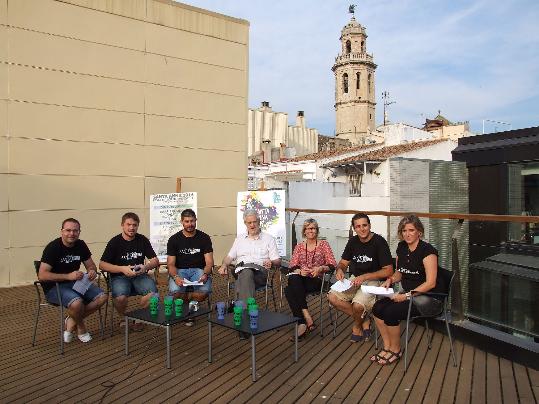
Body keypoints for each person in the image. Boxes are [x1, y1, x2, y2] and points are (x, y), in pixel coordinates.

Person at [371, 215, 441, 365]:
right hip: (408, 295)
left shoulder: (428, 252)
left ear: (419, 232)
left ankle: (396, 351)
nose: (407, 234)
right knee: (377, 307)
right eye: (404, 230)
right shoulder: (402, 247)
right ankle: (388, 346)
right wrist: (390, 280)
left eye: (411, 230)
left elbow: (430, 283)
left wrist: (407, 296)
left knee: (390, 312)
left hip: (429, 298)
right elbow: (400, 272)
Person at [38, 218, 108, 343]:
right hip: (54, 287)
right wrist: (68, 276)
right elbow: (42, 275)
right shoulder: (53, 247)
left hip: (76, 283)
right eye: (68, 230)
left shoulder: (81, 245)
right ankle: (81, 327)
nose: (72, 233)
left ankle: (71, 320)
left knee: (102, 297)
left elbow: (91, 265)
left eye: (75, 231)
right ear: (62, 232)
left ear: (79, 232)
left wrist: (91, 271)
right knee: (77, 304)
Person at [327, 213, 393, 342]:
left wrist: (365, 276)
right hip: (354, 279)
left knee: (358, 306)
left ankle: (357, 326)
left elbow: (388, 270)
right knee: (332, 297)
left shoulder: (379, 242)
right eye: (358, 226)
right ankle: (365, 319)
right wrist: (340, 270)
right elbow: (343, 263)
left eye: (364, 225)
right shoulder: (353, 241)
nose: (362, 229)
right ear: (354, 228)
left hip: (374, 280)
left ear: (369, 226)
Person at [99, 212, 159, 330]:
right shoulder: (115, 242)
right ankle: (123, 318)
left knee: (153, 294)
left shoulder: (142, 240)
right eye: (128, 224)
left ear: (138, 226)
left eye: (135, 225)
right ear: (122, 225)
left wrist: (145, 267)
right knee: (120, 297)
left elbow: (155, 260)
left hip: (139, 275)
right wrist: (122, 269)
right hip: (119, 277)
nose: (131, 227)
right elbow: (102, 264)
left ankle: (139, 318)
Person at [284, 218, 336, 339]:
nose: (310, 231)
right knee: (293, 280)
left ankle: (303, 320)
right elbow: (292, 265)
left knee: (289, 288)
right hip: (301, 279)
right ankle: (305, 319)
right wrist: (300, 271)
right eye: (307, 228)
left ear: (316, 230)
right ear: (304, 231)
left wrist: (320, 269)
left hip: (317, 280)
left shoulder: (324, 245)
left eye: (312, 228)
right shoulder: (299, 246)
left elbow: (332, 264)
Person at [218, 209, 281, 304]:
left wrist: (271, 262)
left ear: (259, 222)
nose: (252, 225)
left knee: (244, 276)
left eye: (254, 222)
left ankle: (237, 306)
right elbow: (229, 257)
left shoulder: (269, 239)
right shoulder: (239, 239)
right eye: (249, 223)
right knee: (245, 272)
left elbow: (278, 261)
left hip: (260, 273)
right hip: (240, 269)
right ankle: (245, 310)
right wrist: (223, 265)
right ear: (245, 223)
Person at [167, 209, 213, 324]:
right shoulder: (174, 239)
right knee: (175, 291)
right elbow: (171, 264)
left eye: (192, 221)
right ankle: (190, 309)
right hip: (180, 270)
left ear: (196, 220)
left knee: (204, 292)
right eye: (186, 221)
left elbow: (209, 262)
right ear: (182, 222)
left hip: (199, 270)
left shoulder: (204, 238)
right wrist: (176, 277)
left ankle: (189, 307)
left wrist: (205, 274)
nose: (190, 224)